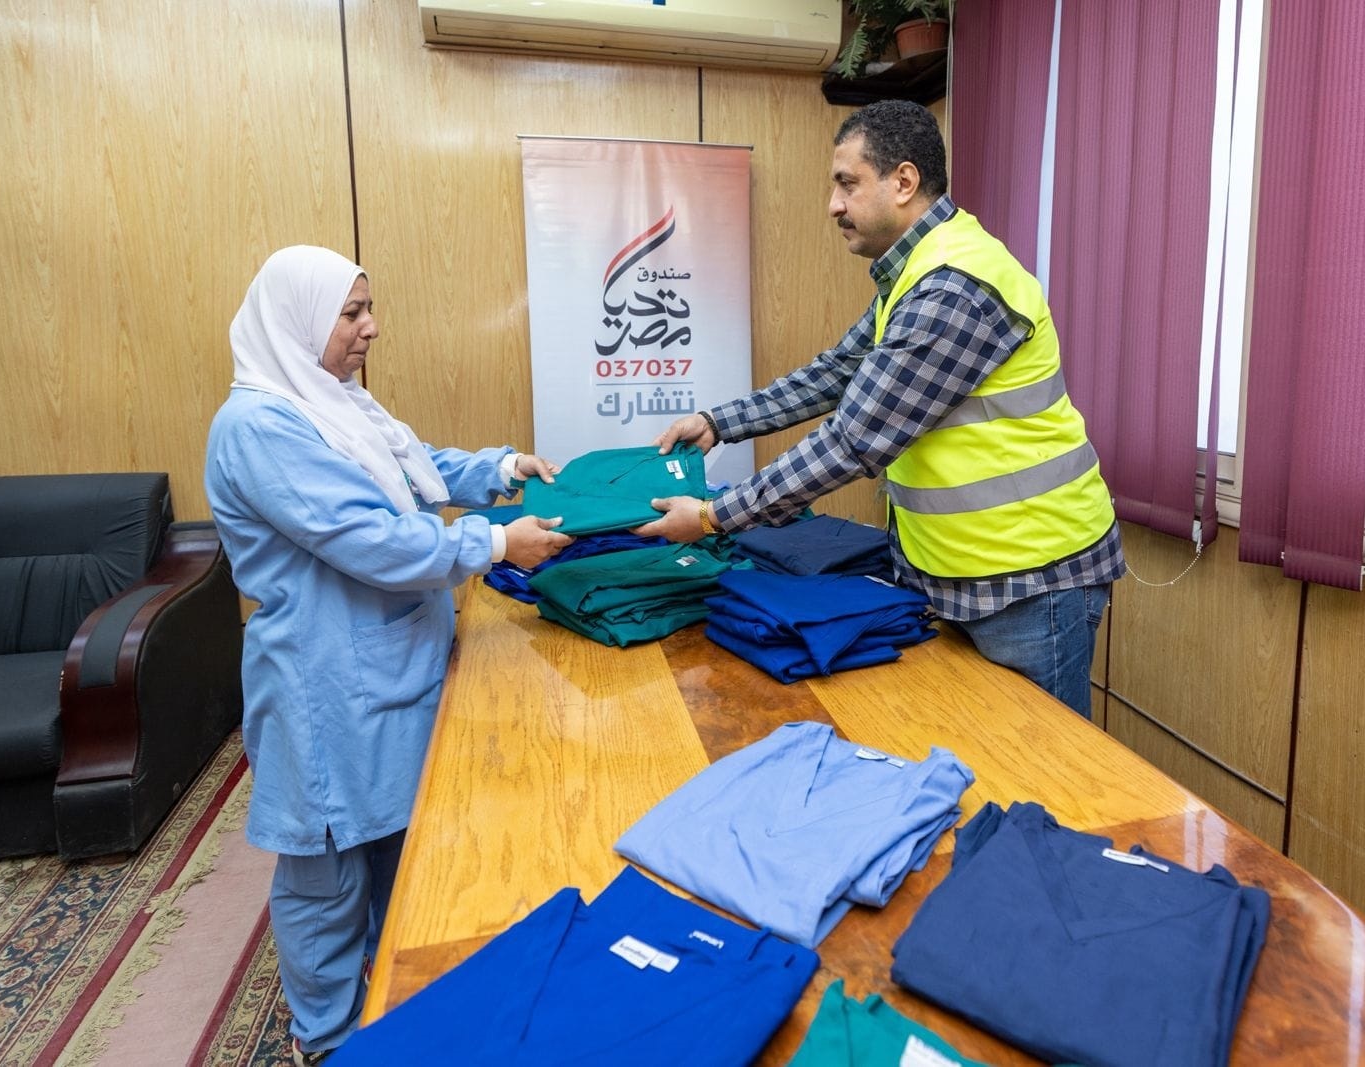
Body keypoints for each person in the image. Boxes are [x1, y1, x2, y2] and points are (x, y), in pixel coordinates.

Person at [204, 245, 571, 1064]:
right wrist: (493, 543)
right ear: (298, 322)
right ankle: (327, 1036)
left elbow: (409, 471)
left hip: (382, 665)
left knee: (392, 842)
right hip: (322, 683)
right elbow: (368, 535)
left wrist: (499, 468)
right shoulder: (261, 426)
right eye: (350, 313)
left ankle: (385, 987)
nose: (370, 327)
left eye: (368, 308)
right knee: (327, 868)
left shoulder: (331, 401)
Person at [640, 100, 1124, 718]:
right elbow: (838, 372)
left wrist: (714, 517)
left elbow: (852, 441)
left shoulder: (954, 288)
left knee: (1043, 759)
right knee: (974, 749)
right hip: (957, 567)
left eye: (847, 184)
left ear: (903, 182)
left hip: (1030, 575)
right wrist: (720, 423)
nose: (832, 205)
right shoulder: (918, 269)